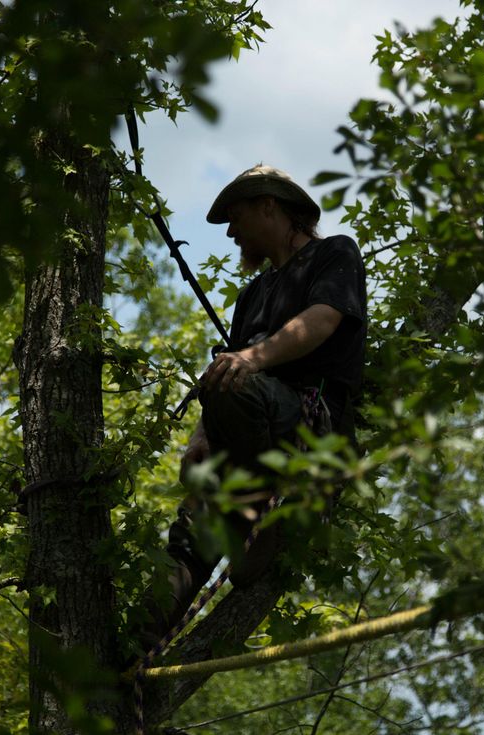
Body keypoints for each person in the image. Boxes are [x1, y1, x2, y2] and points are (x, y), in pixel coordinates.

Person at [142, 164, 367, 645]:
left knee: (231, 379)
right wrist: (201, 437)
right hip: (251, 430)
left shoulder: (334, 253)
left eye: (236, 216)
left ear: (270, 206)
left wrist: (253, 356)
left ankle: (262, 504)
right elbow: (232, 371)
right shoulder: (254, 294)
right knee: (188, 535)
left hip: (310, 426)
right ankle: (128, 653)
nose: (230, 232)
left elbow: (324, 318)